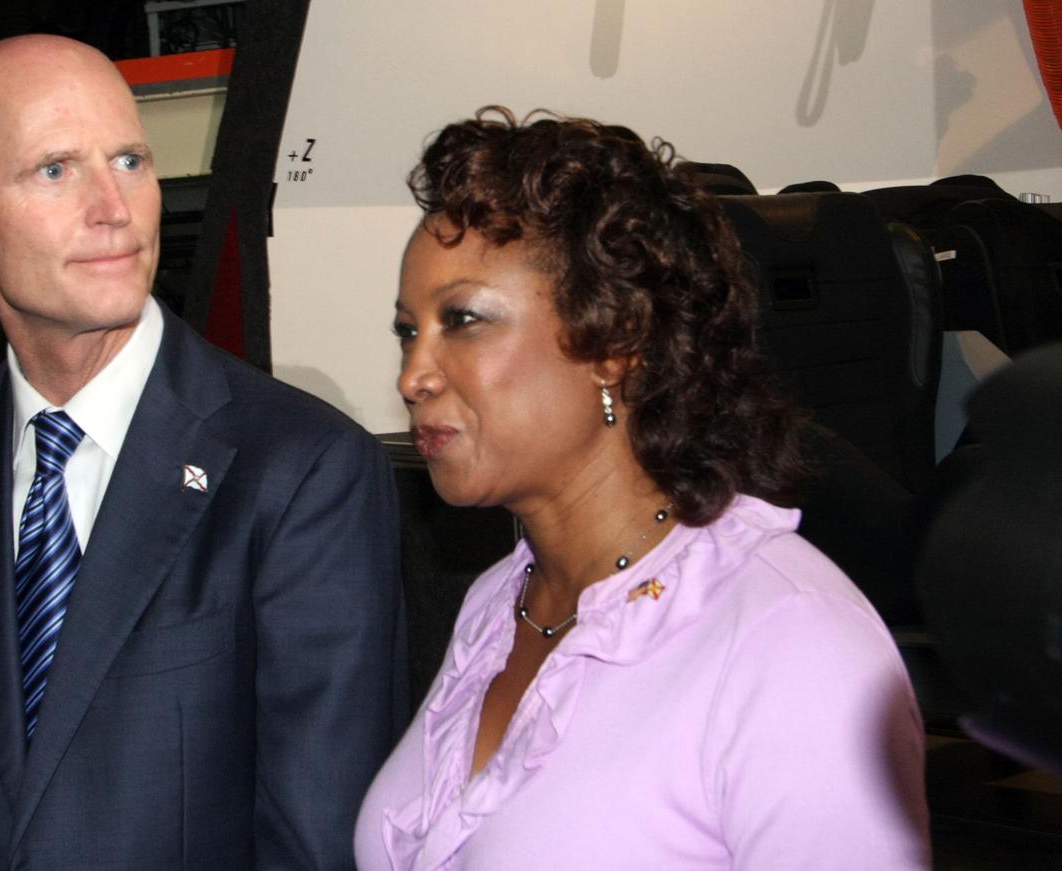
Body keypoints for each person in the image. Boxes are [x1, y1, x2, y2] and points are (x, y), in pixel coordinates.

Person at [0, 34, 405, 870]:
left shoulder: (301, 471)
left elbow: (317, 842)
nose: (113, 206)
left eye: (129, 159)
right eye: (55, 169)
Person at [355, 108, 929, 870]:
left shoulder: (794, 643)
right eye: (407, 329)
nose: (413, 375)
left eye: (461, 320)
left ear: (615, 344)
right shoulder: (499, 603)